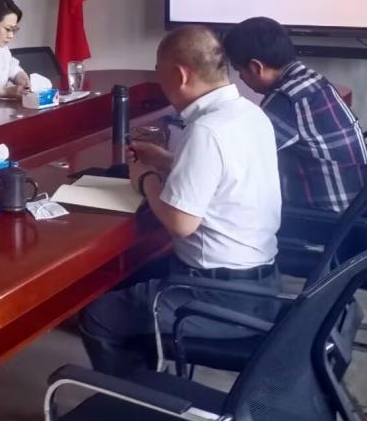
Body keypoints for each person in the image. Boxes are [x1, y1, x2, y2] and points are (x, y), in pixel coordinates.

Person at [78, 25, 282, 378]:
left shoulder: (206, 130)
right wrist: (168, 161)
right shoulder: (250, 113)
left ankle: (134, 399)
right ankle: (150, 382)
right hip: (263, 287)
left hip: (215, 297)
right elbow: (226, 177)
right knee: (130, 277)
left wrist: (146, 179)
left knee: (98, 316)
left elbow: (180, 222)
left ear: (179, 75)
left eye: (160, 74)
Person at [221, 16, 367, 213]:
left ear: (256, 67)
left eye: (239, 71)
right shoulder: (311, 79)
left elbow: (237, 160)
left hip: (325, 217)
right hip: (356, 205)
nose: (240, 78)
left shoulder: (286, 100)